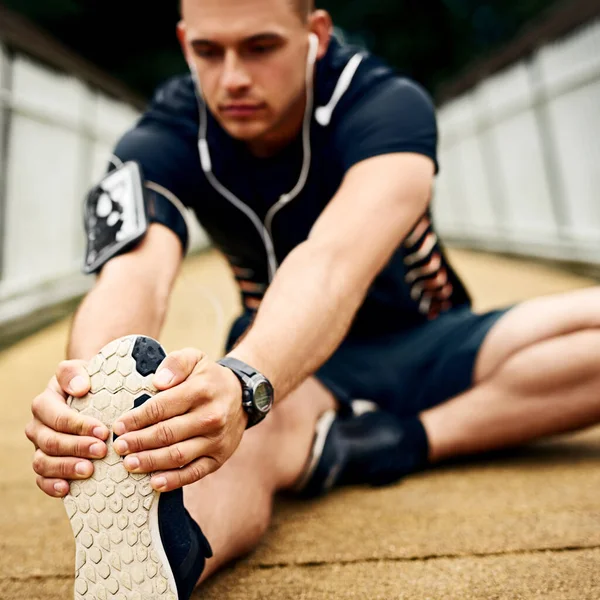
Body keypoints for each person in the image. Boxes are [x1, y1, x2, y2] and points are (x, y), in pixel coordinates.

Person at [25, 0, 600, 597]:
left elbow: (332, 265)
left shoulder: (388, 105)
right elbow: (134, 275)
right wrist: (89, 394)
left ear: (316, 35)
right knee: (238, 429)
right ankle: (168, 560)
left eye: (261, 47)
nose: (234, 78)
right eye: (208, 52)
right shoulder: (161, 133)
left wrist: (244, 379)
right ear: (183, 40)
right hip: (291, 353)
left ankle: (387, 443)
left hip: (427, 340)